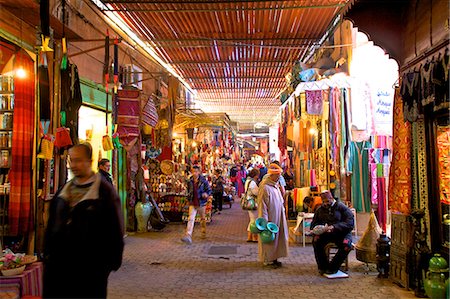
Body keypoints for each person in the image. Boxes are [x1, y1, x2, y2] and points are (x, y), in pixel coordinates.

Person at [43, 143, 124, 298]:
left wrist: (107, 264)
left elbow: (115, 229)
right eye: (71, 160)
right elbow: (52, 226)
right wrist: (48, 255)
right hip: (60, 270)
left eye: (78, 160)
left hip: (90, 271)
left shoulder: (104, 193)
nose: (74, 165)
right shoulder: (63, 192)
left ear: (89, 161)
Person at [311, 190, 354, 275]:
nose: (325, 203)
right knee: (316, 241)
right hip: (326, 234)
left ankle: (333, 267)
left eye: (327, 201)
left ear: (332, 198)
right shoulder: (320, 210)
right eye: (323, 201)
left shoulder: (342, 208)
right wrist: (317, 231)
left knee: (347, 245)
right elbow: (314, 224)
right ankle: (323, 266)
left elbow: (350, 224)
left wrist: (335, 227)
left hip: (342, 234)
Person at [257, 163, 289, 268]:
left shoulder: (275, 186)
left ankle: (274, 257)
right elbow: (262, 205)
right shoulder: (265, 187)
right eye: (277, 176)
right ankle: (267, 259)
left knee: (277, 238)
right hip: (270, 218)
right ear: (271, 176)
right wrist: (264, 221)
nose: (279, 178)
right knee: (269, 239)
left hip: (278, 216)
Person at [181, 165, 212, 245]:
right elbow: (188, 190)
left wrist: (206, 194)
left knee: (202, 218)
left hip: (201, 202)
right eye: (193, 171)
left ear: (199, 172)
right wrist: (187, 197)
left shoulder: (203, 181)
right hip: (192, 202)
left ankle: (203, 231)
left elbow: (209, 190)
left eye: (196, 171)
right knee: (191, 218)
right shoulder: (190, 181)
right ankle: (188, 235)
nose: (194, 173)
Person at [245, 168, 260, 242]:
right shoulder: (252, 182)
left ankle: (250, 237)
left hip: (248, 201)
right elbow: (256, 192)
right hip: (252, 202)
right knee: (254, 220)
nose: (258, 177)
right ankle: (254, 237)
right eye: (257, 175)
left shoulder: (247, 181)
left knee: (252, 219)